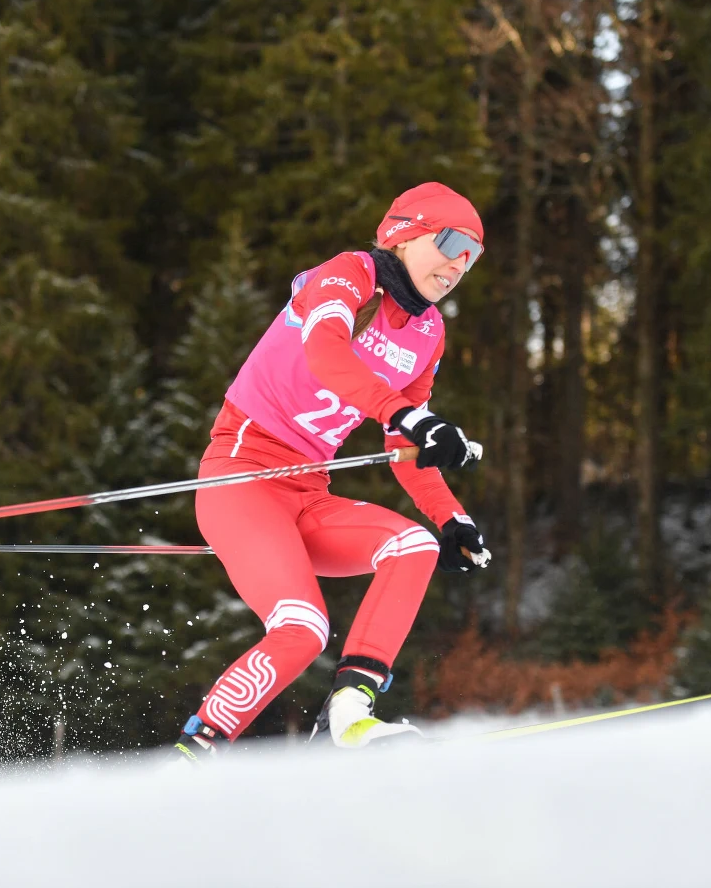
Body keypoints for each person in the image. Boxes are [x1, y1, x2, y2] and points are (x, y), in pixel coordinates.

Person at [172, 182, 491, 761]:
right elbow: (325, 351)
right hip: (241, 477)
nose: (459, 263)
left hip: (308, 490)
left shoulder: (428, 333)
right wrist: (408, 414)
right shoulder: (351, 272)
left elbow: (403, 445)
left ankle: (348, 715)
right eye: (450, 242)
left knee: (412, 547)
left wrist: (453, 517)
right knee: (302, 628)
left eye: (473, 255)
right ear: (404, 232)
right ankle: (197, 751)